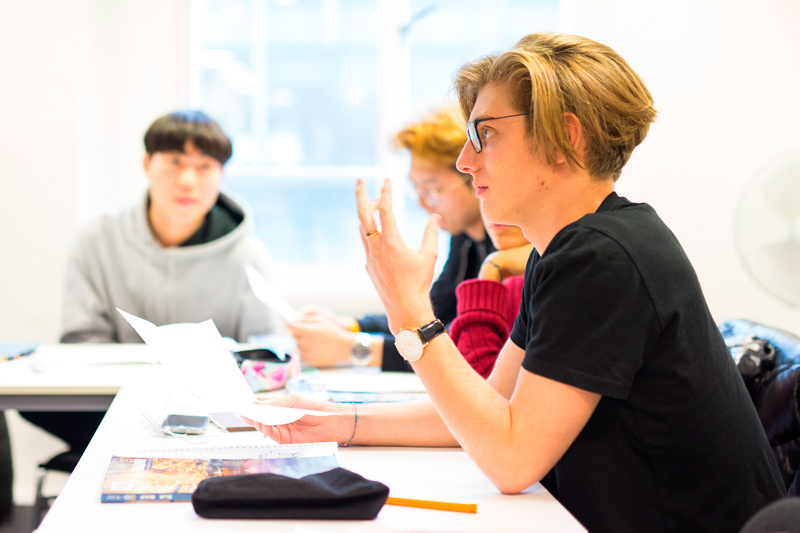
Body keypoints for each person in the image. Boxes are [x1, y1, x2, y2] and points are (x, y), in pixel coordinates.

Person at [246, 33, 786, 533]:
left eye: (486, 134)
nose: (465, 161)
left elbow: (510, 460)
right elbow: (487, 406)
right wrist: (337, 421)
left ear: (565, 137)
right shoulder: (571, 249)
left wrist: (410, 311)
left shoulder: (603, 257)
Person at [21, 110, 275, 459]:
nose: (188, 180)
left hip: (214, 415)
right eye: (174, 161)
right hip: (114, 404)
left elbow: (262, 356)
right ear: (147, 164)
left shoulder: (248, 254)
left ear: (221, 174)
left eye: (205, 166)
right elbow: (81, 342)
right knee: (33, 404)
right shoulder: (96, 239)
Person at [289, 108, 494, 371]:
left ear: (473, 175)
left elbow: (460, 348)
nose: (422, 203)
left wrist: (351, 347)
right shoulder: (465, 239)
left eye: (431, 189)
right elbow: (435, 314)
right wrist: (352, 326)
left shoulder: (504, 248)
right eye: (416, 189)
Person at [450, 211, 531, 378]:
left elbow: (478, 385)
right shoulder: (513, 283)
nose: (492, 210)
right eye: (481, 197)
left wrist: (490, 269)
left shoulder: (566, 281)